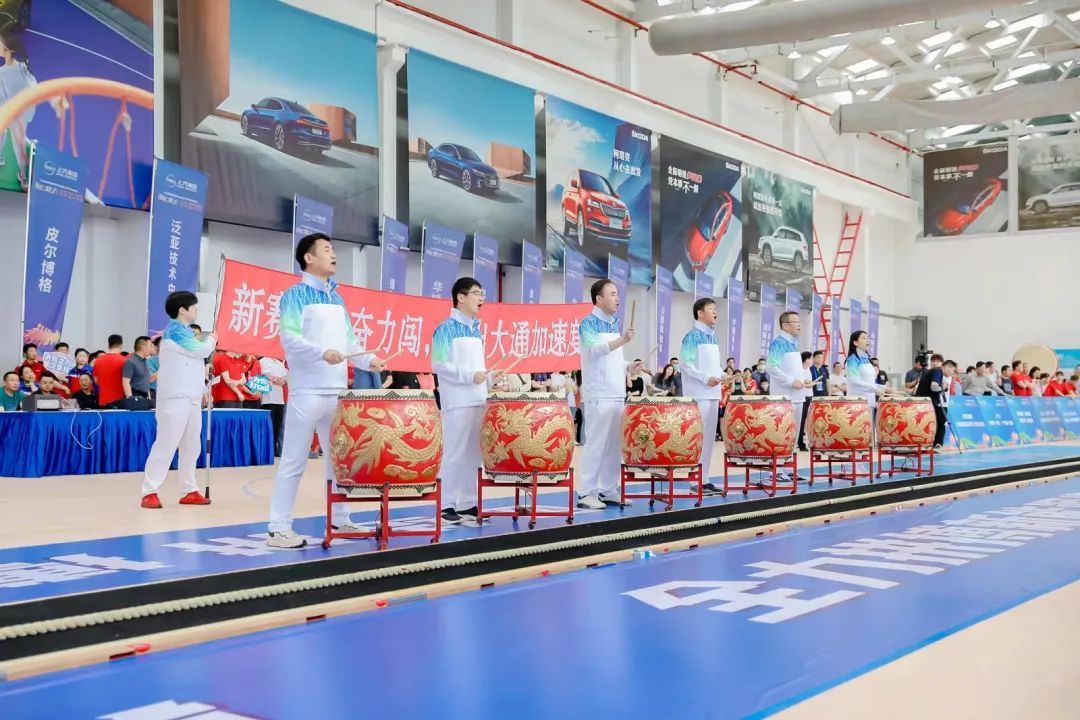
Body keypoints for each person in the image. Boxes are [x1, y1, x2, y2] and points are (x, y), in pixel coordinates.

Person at [266, 233, 385, 547]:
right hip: (306, 390)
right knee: (294, 460)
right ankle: (278, 527)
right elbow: (290, 339)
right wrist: (322, 352)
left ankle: (340, 518)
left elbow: (349, 342)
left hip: (336, 391)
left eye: (333, 250)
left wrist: (369, 360)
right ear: (309, 257)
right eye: (327, 250)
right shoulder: (295, 295)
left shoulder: (337, 298)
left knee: (339, 460)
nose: (334, 255)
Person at [432, 277, 500, 524]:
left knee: (473, 454)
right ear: (460, 297)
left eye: (482, 293)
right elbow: (438, 364)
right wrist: (468, 376)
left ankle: (469, 503)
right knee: (454, 452)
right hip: (457, 401)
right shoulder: (444, 328)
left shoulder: (476, 329)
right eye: (476, 293)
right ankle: (445, 505)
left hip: (478, 399)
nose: (481, 298)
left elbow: (477, 369)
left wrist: (489, 377)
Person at [140, 291, 217, 509]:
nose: (197, 310)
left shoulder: (186, 332)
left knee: (192, 445)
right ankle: (149, 491)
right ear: (182, 310)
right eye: (194, 307)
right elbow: (201, 350)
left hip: (191, 396)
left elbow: (192, 365)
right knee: (167, 443)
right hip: (175, 397)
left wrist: (203, 390)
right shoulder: (175, 330)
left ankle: (189, 490)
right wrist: (213, 339)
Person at [578, 278, 640, 509]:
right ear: (599, 299)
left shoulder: (613, 324)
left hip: (616, 393)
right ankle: (586, 493)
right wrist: (622, 339)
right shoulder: (588, 323)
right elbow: (593, 352)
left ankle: (608, 489)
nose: (617, 298)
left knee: (614, 447)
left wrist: (629, 366)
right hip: (598, 394)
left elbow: (613, 360)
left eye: (617, 294)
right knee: (596, 444)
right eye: (612, 294)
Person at [680, 298, 724, 493]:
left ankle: (704, 478)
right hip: (698, 395)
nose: (715, 312)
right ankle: (694, 481)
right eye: (711, 309)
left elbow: (715, 367)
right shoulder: (691, 336)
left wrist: (724, 375)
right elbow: (686, 365)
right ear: (700, 313)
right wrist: (706, 378)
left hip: (713, 393)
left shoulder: (713, 337)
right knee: (697, 438)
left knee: (708, 440)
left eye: (716, 309)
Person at [0, 32, 37, 189]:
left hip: (14, 114)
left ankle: (21, 174)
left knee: (16, 145)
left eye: (0, 43)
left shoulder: (5, 72)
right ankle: (3, 160)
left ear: (8, 50)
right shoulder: (21, 67)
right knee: (10, 139)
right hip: (16, 113)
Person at [915, 354, 952, 448]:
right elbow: (934, 387)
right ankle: (930, 443)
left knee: (940, 422)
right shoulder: (935, 372)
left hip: (940, 402)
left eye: (938, 361)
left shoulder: (942, 374)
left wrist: (943, 387)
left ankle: (938, 443)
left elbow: (938, 387)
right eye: (933, 361)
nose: (935, 363)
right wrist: (942, 387)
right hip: (929, 402)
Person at [846, 331, 886, 409]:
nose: (867, 340)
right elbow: (854, 381)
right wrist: (874, 389)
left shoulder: (867, 359)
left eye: (867, 338)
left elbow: (869, 383)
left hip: (869, 402)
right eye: (864, 338)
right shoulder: (852, 360)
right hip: (857, 403)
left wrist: (884, 388)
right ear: (855, 343)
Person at [259, 355, 288, 457]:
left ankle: (274, 449)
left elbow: (285, 379)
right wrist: (272, 379)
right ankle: (267, 449)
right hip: (267, 398)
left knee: (277, 425)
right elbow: (260, 376)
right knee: (269, 425)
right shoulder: (263, 361)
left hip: (279, 399)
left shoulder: (280, 363)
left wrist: (282, 381)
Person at [120, 336, 155, 407]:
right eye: (150, 346)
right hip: (136, 397)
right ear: (143, 347)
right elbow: (125, 382)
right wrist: (131, 401)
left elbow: (146, 381)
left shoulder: (145, 362)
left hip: (145, 398)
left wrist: (149, 396)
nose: (151, 348)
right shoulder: (131, 362)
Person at [94, 335, 128, 407]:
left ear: (108, 345)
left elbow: (96, 381)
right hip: (120, 402)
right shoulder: (125, 361)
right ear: (121, 345)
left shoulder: (98, 361)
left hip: (103, 401)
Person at [796, 351, 814, 451]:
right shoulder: (799, 369)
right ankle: (799, 442)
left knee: (806, 420)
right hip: (802, 397)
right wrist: (806, 382)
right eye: (811, 359)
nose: (812, 361)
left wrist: (810, 384)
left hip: (809, 396)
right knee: (801, 420)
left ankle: (801, 441)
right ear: (806, 360)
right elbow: (798, 382)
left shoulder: (808, 369)